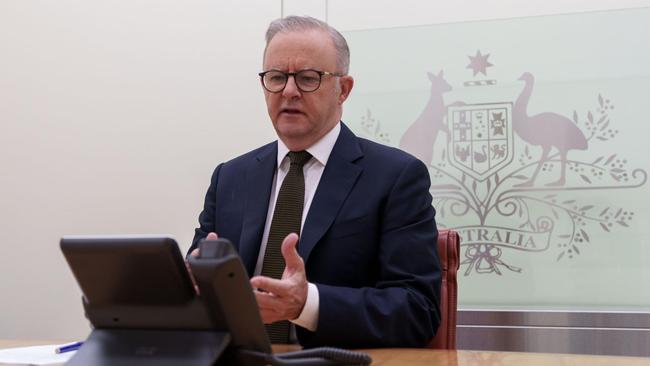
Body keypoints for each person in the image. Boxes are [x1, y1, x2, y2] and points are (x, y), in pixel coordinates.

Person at [188, 15, 441, 348]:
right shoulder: (231, 177)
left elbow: (416, 310)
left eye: (308, 78)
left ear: (343, 90)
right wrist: (192, 284)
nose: (289, 91)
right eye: (276, 77)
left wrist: (306, 305)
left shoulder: (395, 177)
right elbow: (195, 278)